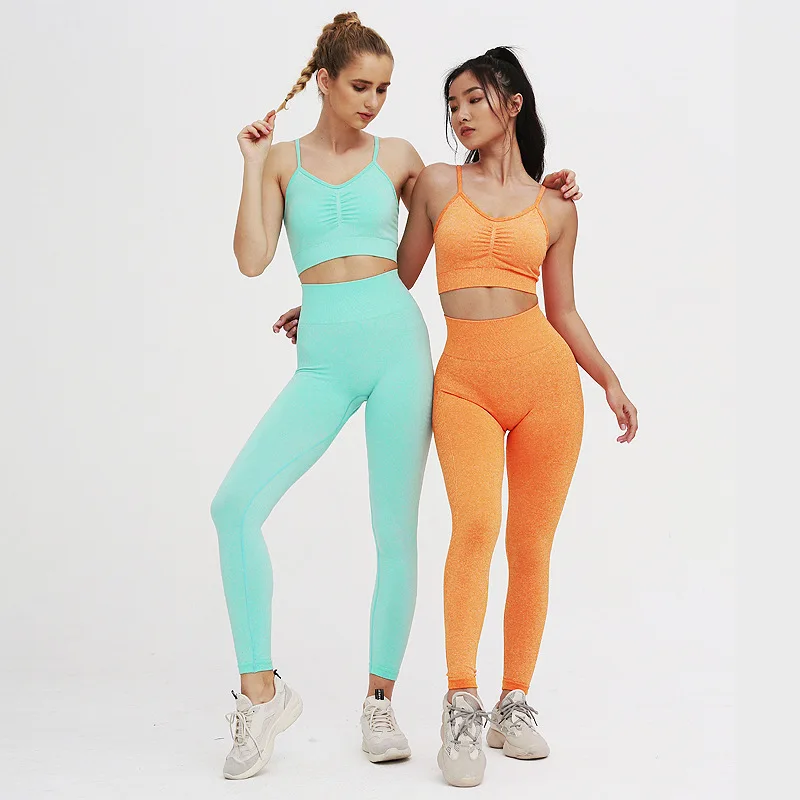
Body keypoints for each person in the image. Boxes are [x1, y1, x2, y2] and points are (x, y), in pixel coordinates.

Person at [218, 12, 580, 780]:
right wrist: (250, 167)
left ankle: (379, 703)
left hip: (398, 351)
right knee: (234, 507)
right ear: (324, 81)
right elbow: (252, 260)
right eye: (360, 86)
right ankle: (261, 694)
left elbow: (473, 213)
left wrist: (544, 189)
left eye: (384, 89)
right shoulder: (279, 160)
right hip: (323, 359)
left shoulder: (404, 159)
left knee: (396, 534)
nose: (374, 101)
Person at [395, 47, 638, 787]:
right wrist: (327, 306)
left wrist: (608, 379)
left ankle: (514, 701)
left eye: (474, 98)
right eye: (452, 105)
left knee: (531, 545)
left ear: (512, 102)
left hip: (546, 383)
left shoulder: (556, 206)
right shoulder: (437, 185)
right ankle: (461, 702)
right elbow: (397, 278)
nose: (461, 114)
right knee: (474, 527)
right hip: (462, 383)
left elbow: (563, 309)